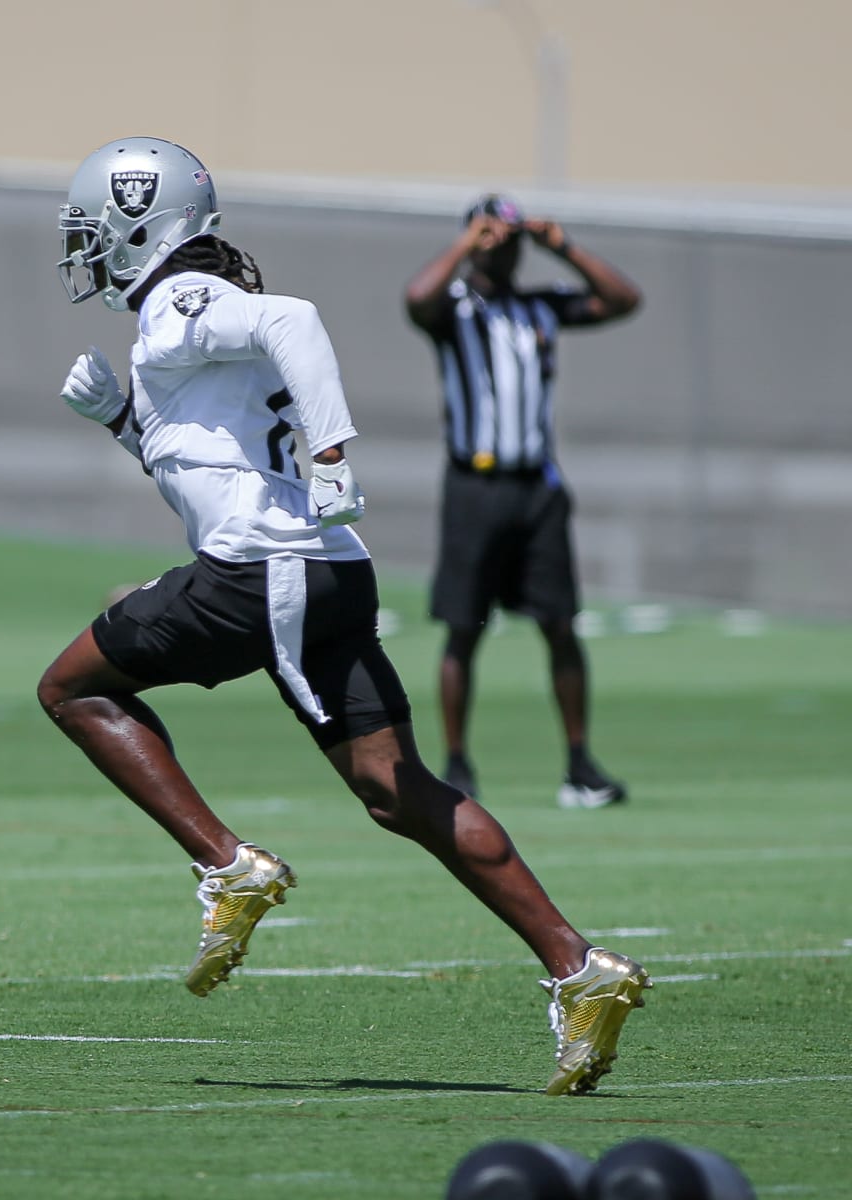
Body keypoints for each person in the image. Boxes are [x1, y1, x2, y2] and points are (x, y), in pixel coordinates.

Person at [37, 138, 650, 1096]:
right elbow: (209, 470)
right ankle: (581, 969)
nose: (86, 250)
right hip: (326, 569)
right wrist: (123, 420)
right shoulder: (189, 311)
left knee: (71, 689)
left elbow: (296, 318)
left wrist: (331, 454)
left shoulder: (177, 299)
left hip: (262, 571)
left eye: (94, 230)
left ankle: (226, 866)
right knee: (395, 790)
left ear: (139, 221)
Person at [404, 194, 642, 808]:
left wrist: (560, 245)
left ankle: (580, 766)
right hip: (474, 486)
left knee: (560, 624)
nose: (501, 250)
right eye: (491, 238)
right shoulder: (454, 309)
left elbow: (623, 300)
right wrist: (467, 242)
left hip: (537, 488)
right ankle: (457, 764)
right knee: (464, 628)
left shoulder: (540, 306)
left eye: (508, 241)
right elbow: (416, 298)